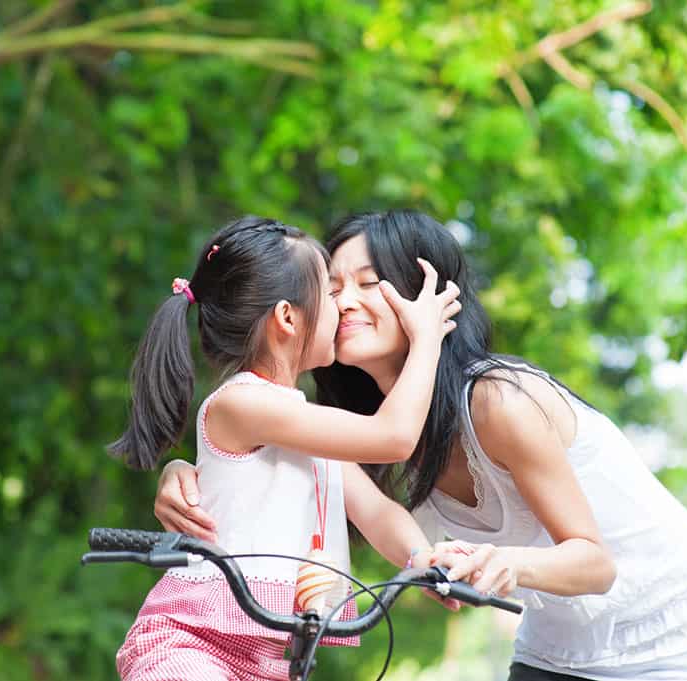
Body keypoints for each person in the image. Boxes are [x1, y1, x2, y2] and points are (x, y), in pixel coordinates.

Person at [154, 210, 687, 681]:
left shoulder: (499, 402)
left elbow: (593, 563)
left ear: (429, 296)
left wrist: (448, 563)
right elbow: (353, 464)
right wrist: (184, 467)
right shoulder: (363, 423)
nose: (342, 302)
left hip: (680, 634)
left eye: (369, 283)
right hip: (562, 644)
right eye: (331, 287)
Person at [110, 215, 462, 681]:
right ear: (288, 317)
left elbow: (376, 511)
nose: (341, 309)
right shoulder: (243, 402)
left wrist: (423, 558)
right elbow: (393, 437)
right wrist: (426, 341)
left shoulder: (304, 428)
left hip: (268, 660)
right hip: (190, 645)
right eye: (329, 295)